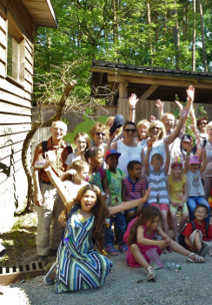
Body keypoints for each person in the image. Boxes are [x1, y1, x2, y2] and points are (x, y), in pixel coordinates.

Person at [41, 161, 150, 292]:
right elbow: (59, 186)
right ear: (80, 198)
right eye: (86, 196)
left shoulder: (98, 214)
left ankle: (64, 268)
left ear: (96, 201)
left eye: (92, 197)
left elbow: (121, 206)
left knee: (103, 265)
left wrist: (142, 200)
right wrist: (48, 169)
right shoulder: (72, 207)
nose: (89, 199)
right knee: (68, 282)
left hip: (85, 252)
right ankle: (59, 267)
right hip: (69, 251)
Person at [125, 206, 206, 282]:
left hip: (149, 254)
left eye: (157, 221)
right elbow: (140, 240)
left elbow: (166, 237)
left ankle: (191, 255)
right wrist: (158, 242)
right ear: (146, 220)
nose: (155, 224)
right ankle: (149, 269)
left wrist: (166, 240)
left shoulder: (156, 227)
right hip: (138, 256)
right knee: (133, 246)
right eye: (153, 222)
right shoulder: (141, 227)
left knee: (169, 241)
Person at [32, 121, 73, 265]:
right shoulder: (42, 147)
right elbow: (36, 169)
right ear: (51, 129)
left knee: (60, 221)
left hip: (62, 188)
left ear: (66, 132)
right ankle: (42, 252)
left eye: (61, 129)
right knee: (44, 220)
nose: (58, 131)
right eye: (56, 129)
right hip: (46, 187)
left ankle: (55, 248)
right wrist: (37, 191)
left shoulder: (68, 149)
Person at [144, 137, 171, 236]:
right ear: (152, 163)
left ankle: (168, 239)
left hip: (163, 200)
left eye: (159, 164)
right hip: (153, 200)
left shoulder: (163, 173)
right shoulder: (149, 173)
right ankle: (157, 236)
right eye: (155, 163)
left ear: (162, 164)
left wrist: (167, 149)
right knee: (156, 217)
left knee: (163, 216)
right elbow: (145, 164)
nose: (158, 165)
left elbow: (168, 161)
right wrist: (148, 151)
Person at [103, 150, 127, 256]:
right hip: (109, 205)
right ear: (106, 161)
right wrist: (108, 204)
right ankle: (109, 244)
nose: (114, 161)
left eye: (116, 159)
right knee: (108, 226)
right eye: (111, 159)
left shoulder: (120, 172)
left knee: (121, 225)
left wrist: (124, 201)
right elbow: (105, 188)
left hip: (119, 205)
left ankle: (122, 243)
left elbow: (123, 188)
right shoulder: (105, 173)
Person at [185, 155, 211, 223]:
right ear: (189, 165)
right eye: (192, 164)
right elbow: (186, 164)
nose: (194, 166)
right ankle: (193, 224)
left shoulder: (198, 172)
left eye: (196, 164)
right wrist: (188, 153)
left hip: (199, 196)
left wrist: (204, 155)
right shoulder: (187, 172)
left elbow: (204, 164)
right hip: (190, 196)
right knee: (193, 208)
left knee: (207, 207)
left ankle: (206, 225)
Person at [168, 159, 189, 240]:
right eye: (175, 169)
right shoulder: (169, 179)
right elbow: (168, 193)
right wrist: (171, 201)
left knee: (185, 215)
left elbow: (186, 192)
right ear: (172, 170)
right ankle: (175, 233)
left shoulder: (184, 178)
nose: (177, 171)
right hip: (173, 199)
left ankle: (179, 230)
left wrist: (183, 201)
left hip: (182, 199)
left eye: (179, 169)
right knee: (173, 215)